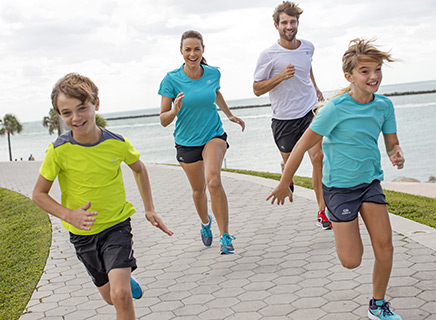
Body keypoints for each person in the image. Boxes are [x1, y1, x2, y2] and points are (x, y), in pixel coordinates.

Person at [267, 38, 404, 320]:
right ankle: (336, 218)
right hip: (339, 189)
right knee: (352, 261)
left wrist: (395, 154)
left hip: (369, 184)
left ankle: (378, 305)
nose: (374, 76)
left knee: (385, 246)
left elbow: (391, 142)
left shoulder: (384, 106)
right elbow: (301, 145)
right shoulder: (335, 109)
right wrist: (284, 181)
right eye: (365, 71)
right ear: (349, 76)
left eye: (377, 69)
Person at [32, 73, 173, 320]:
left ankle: (123, 281)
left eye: (82, 108)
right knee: (110, 297)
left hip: (116, 227)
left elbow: (139, 168)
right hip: (83, 237)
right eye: (66, 113)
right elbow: (38, 194)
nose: (75, 118)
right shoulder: (58, 151)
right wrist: (68, 215)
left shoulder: (116, 143)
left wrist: (149, 208)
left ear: (96, 104)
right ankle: (123, 280)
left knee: (121, 296)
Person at [158, 30, 245, 254]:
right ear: (181, 52)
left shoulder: (213, 73)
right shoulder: (171, 79)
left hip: (212, 134)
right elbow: (163, 120)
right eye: (188, 49)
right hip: (187, 142)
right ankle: (205, 223)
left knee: (214, 180)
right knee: (199, 190)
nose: (192, 53)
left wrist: (229, 115)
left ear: (203, 50)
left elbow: (215, 93)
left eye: (197, 48)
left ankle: (225, 236)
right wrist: (175, 110)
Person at [253, 1, 331, 230]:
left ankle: (322, 211)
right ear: (276, 25)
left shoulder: (308, 47)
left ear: (298, 23)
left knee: (318, 158)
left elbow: (307, 67)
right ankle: (286, 171)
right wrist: (280, 77)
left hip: (310, 110)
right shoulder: (268, 55)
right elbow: (256, 89)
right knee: (290, 162)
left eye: (293, 22)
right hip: (284, 118)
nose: (289, 26)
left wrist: (315, 87)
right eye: (284, 22)